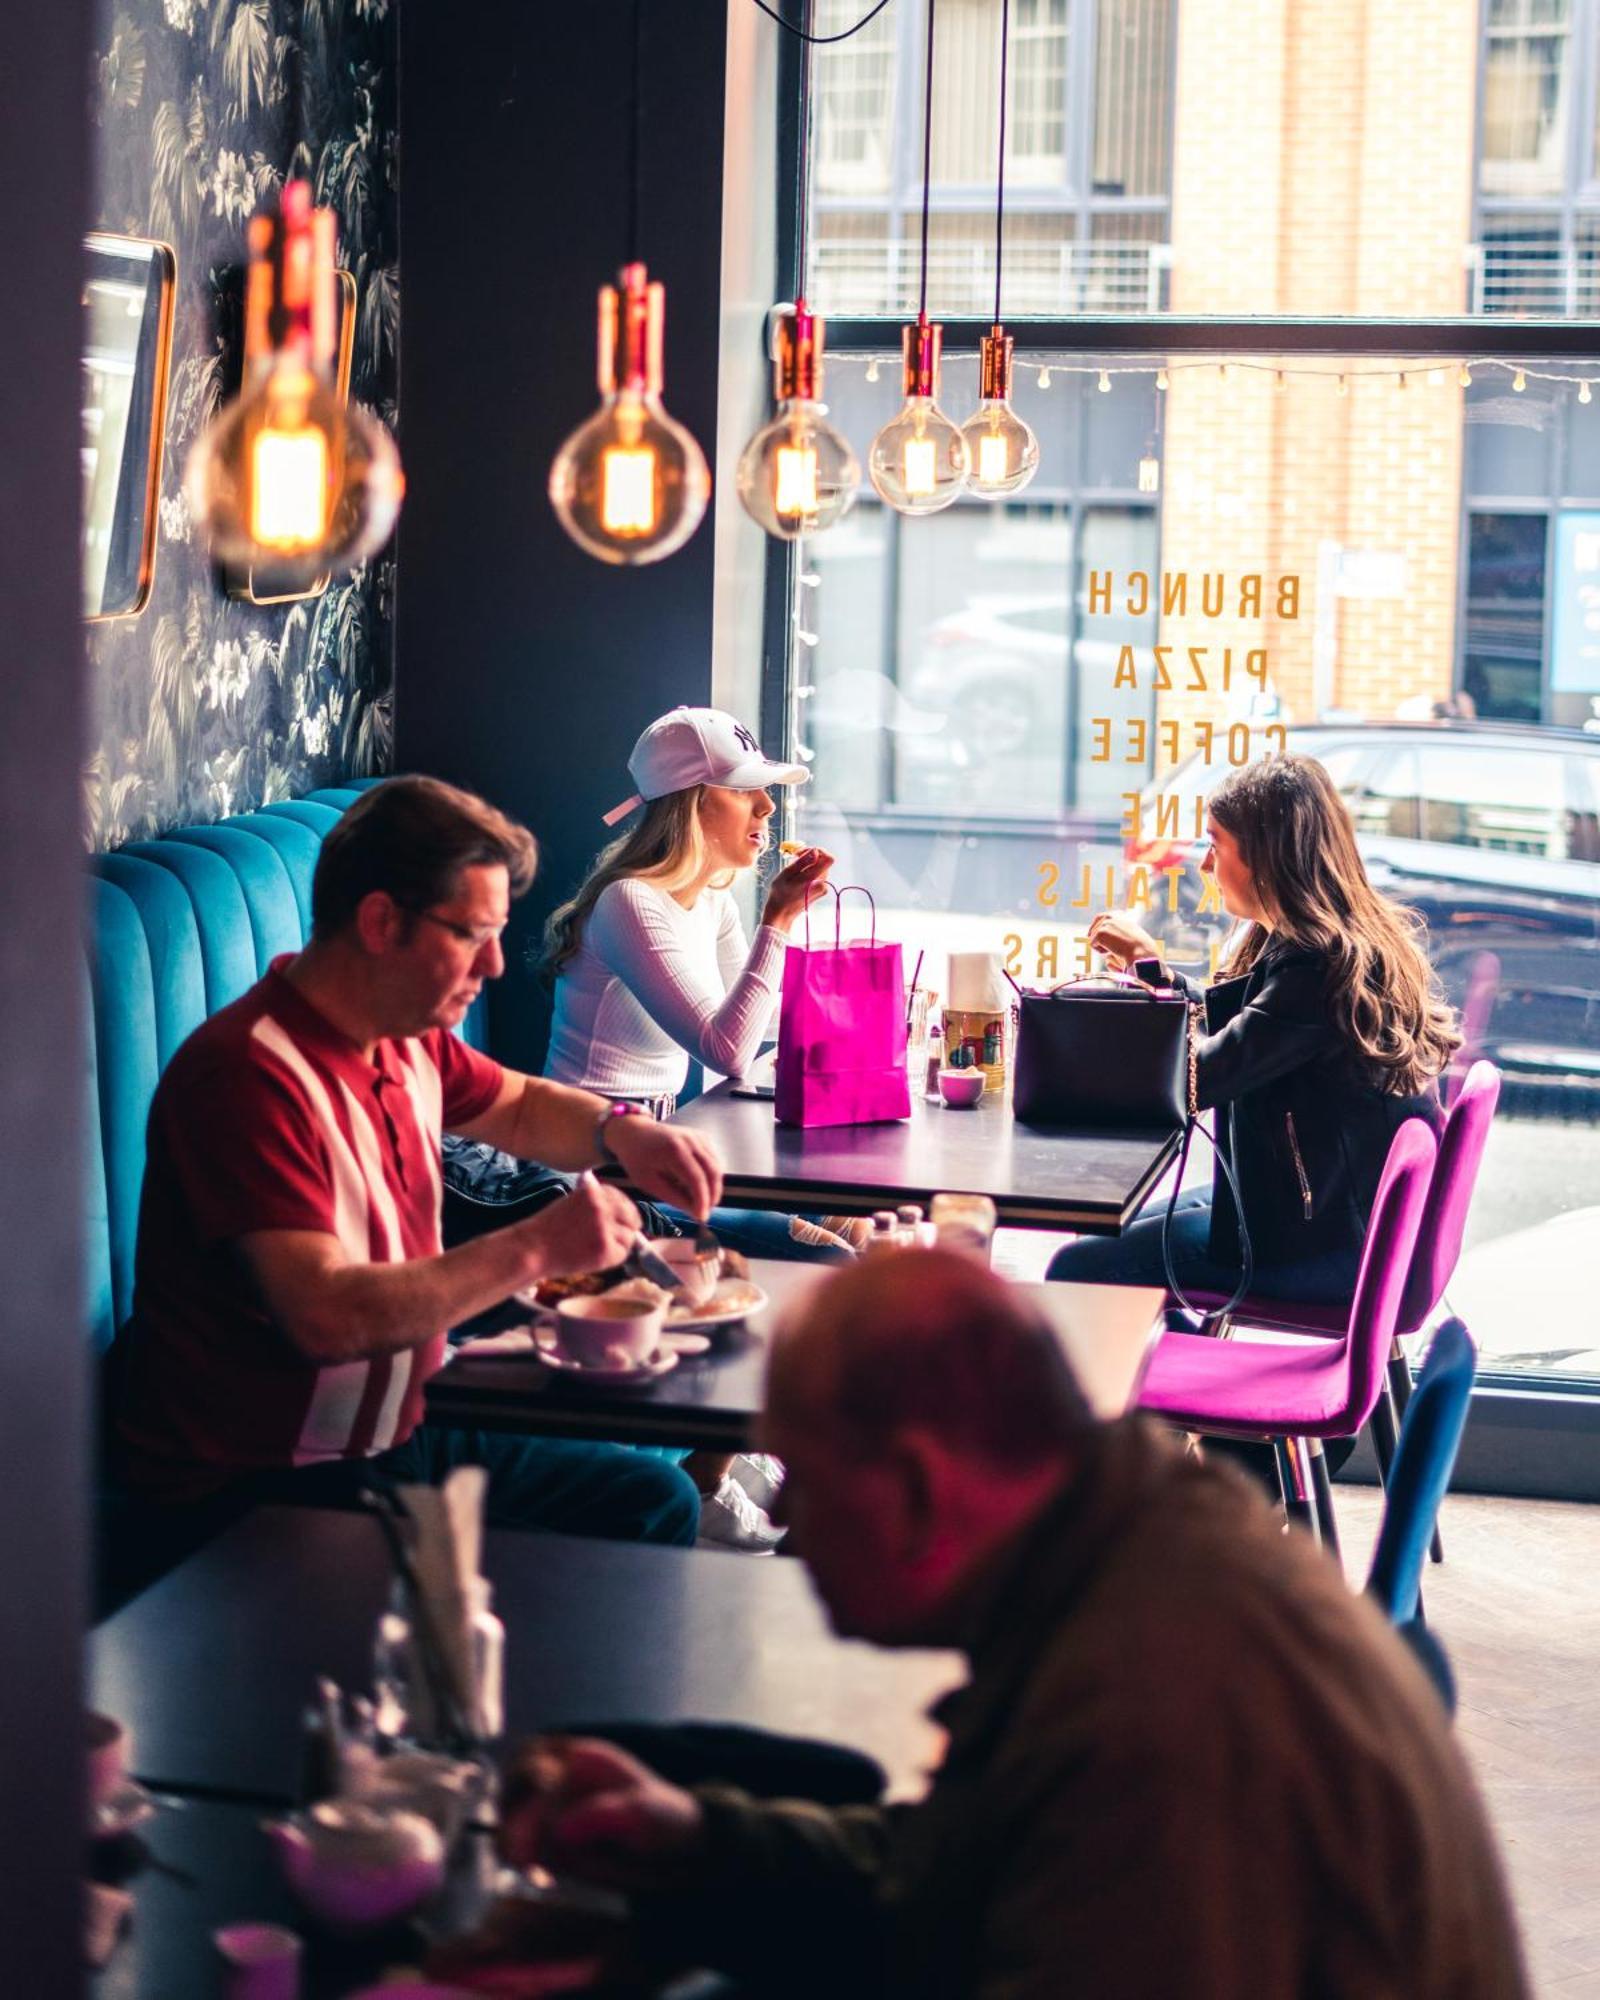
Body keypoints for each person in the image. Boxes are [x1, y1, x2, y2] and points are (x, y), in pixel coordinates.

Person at [441, 1251, 1528, 1999]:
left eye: (805, 1477)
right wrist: (696, 1837)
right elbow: (961, 1873)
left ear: (915, 1484)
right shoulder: (1134, 1554)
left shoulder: (1153, 1722)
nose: (778, 1516)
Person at [110, 776, 725, 1551]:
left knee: (653, 1499)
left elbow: (523, 1108)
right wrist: (539, 1247)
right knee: (635, 1515)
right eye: (473, 933)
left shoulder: (403, 1034)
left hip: (386, 1433)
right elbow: (327, 1317)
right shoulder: (246, 1077)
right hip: (256, 1482)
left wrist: (622, 1132)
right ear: (380, 921)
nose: (496, 964)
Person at [540, 705, 851, 1551]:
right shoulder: (630, 905)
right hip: (587, 1175)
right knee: (820, 1259)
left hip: (656, 1158)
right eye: (747, 794)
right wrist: (778, 923)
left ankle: (735, 1449)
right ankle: (708, 1479)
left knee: (840, 1234)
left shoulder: (704, 901)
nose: (766, 812)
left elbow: (736, 1057)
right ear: (694, 802)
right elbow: (725, 1046)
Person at [1047, 752, 1461, 1306]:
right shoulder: (1322, 942)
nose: (1203, 866)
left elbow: (1201, 1079)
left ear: (1265, 858)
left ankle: (1165, 1382)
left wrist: (1144, 979)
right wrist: (1159, 974)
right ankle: (1166, 1373)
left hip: (1325, 1246)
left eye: (1216, 844)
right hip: (1327, 1216)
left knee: (1078, 1267)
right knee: (1103, 1232)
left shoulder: (1317, 966)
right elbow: (1247, 1032)